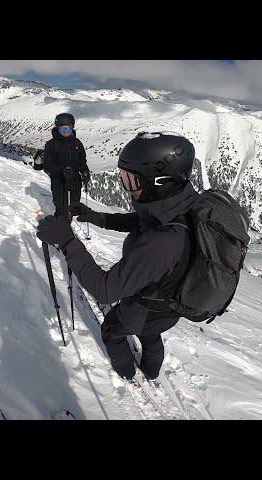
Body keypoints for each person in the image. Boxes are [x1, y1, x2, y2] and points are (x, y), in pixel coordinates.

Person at [37, 131, 199, 380]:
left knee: (112, 330)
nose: (125, 187)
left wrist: (67, 240)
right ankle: (152, 371)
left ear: (158, 182)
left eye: (131, 180)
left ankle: (126, 373)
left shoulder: (164, 241)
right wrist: (97, 217)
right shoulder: (180, 205)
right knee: (150, 334)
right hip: (167, 303)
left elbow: (105, 290)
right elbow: (141, 220)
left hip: (147, 307)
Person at [42, 113, 91, 218]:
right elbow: (47, 166)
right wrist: (61, 171)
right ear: (57, 128)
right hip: (59, 181)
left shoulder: (77, 143)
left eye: (68, 129)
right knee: (61, 208)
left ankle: (68, 223)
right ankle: (60, 226)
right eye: (63, 129)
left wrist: (85, 172)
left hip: (74, 181)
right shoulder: (51, 145)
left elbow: (82, 161)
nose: (65, 132)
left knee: (73, 207)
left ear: (72, 128)